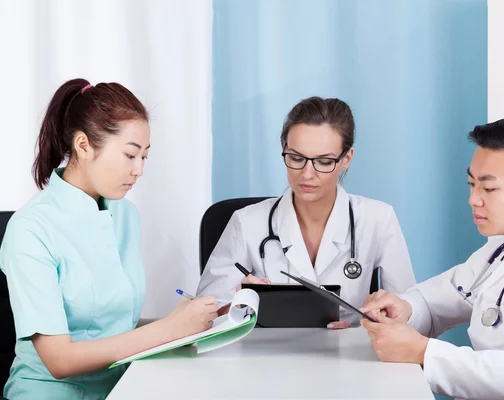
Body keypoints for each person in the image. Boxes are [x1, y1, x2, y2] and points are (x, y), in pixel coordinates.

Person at [0, 79, 218, 399]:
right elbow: (58, 360)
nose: (139, 170)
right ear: (84, 146)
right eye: (130, 155)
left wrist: (195, 321)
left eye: (145, 156)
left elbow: (114, 326)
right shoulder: (30, 229)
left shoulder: (125, 215)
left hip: (123, 387)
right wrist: (169, 329)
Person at [360, 117, 504, 399]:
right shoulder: (499, 249)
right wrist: (404, 308)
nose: (473, 199)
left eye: (488, 188)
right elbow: (437, 299)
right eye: (471, 184)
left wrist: (422, 351)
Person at [197, 96, 416, 328]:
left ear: (346, 159)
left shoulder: (378, 219)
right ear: (284, 149)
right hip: (267, 355)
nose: (307, 174)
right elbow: (204, 315)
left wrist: (365, 329)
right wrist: (240, 304)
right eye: (296, 158)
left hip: (351, 355)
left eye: (323, 161)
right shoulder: (246, 222)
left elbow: (406, 313)